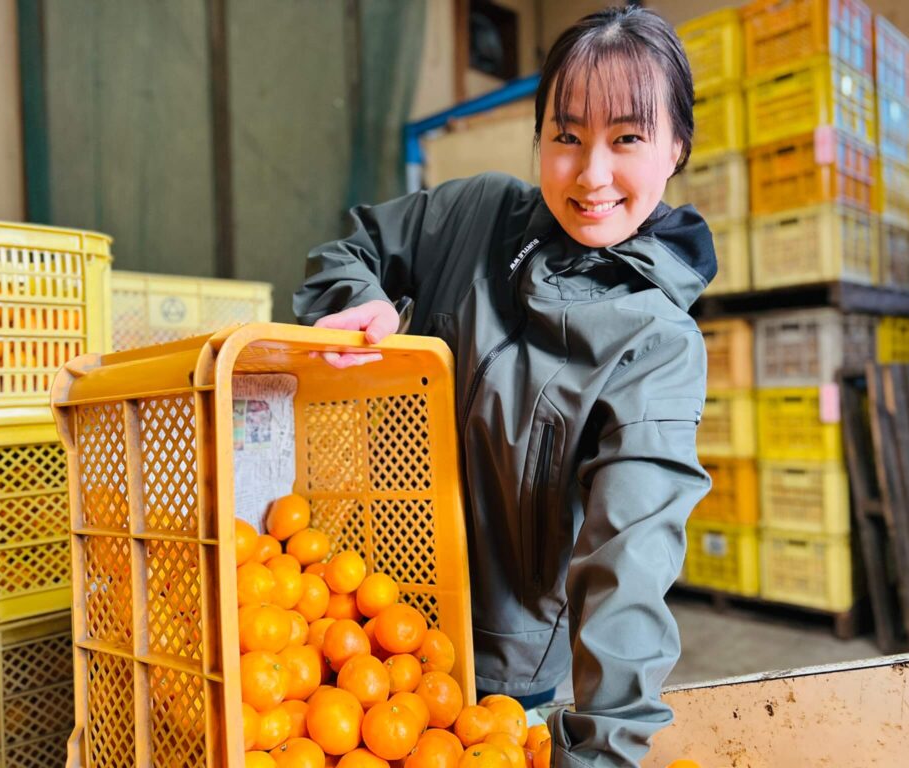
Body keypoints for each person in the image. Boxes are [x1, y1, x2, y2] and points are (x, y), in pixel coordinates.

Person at [293, 6, 714, 765]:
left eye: (626, 138)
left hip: (495, 686)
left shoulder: (658, 345)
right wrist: (356, 297)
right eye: (566, 136)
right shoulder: (477, 216)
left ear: (675, 147)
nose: (591, 174)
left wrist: (604, 751)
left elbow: (630, 564)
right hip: (354, 626)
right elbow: (352, 245)